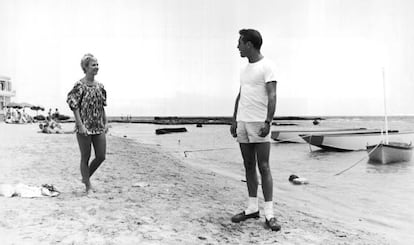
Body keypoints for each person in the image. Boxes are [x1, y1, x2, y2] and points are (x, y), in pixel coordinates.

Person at [230, 29, 281, 231]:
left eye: (240, 43)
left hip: (259, 123)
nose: (238, 47)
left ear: (249, 44)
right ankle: (252, 208)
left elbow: (272, 96)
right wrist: (234, 120)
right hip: (243, 122)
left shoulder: (267, 66)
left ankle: (269, 213)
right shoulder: (243, 70)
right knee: (248, 165)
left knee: (264, 166)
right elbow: (240, 95)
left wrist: (268, 121)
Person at [67, 53, 108, 193]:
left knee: (101, 156)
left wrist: (105, 122)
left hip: (98, 126)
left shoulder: (100, 86)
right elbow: (74, 105)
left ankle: (86, 177)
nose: (96, 67)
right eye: (93, 65)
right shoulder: (80, 85)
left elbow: (102, 106)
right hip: (84, 126)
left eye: (97, 64)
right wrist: (80, 124)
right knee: (85, 156)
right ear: (85, 67)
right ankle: (88, 186)